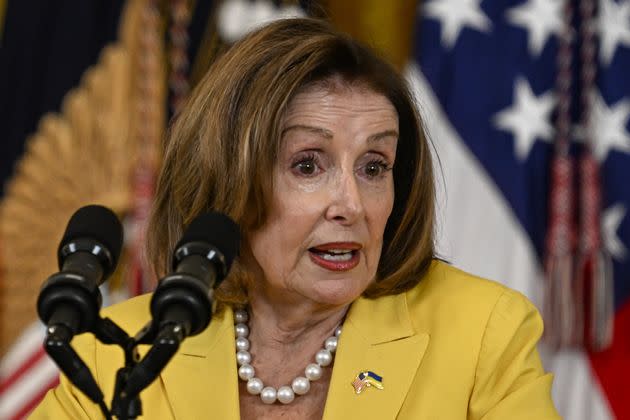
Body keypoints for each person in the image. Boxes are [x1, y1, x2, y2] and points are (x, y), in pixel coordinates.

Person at [31, 18, 560, 419]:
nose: (351, 204)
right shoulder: (117, 353)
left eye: (375, 166)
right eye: (308, 164)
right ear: (228, 181)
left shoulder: (483, 333)